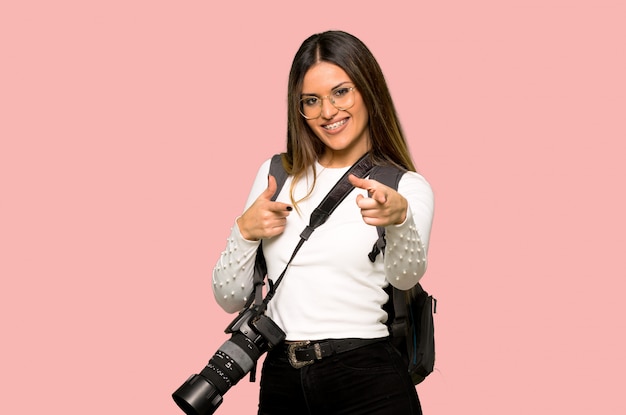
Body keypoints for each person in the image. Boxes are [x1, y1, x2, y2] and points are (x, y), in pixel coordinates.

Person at [212, 30, 434, 415]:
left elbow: (404, 278)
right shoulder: (275, 174)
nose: (327, 112)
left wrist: (400, 221)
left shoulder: (404, 186)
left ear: (368, 90)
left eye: (341, 92)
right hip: (282, 377)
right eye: (310, 101)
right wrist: (243, 232)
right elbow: (229, 299)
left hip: (366, 373)